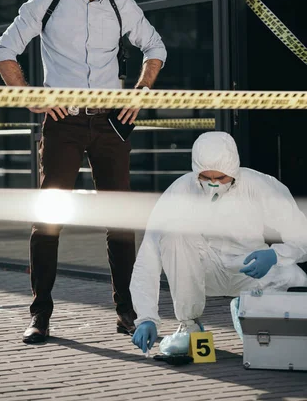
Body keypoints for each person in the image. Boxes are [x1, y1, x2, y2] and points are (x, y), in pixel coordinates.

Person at [0, 0, 167, 344]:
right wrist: (32, 96)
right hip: (64, 123)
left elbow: (155, 47)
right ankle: (40, 316)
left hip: (110, 124)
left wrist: (139, 94)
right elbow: (4, 50)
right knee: (49, 220)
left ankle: (126, 311)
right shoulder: (47, 2)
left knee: (119, 220)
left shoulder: (122, 5)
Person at [130, 131, 307, 355]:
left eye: (221, 178)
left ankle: (250, 309)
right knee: (174, 236)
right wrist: (146, 317)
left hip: (250, 267)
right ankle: (190, 325)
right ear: (196, 172)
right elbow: (149, 255)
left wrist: (275, 255)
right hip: (204, 271)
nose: (213, 185)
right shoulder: (180, 190)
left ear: (233, 170)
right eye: (206, 177)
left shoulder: (259, 185)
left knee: (291, 274)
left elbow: (302, 235)